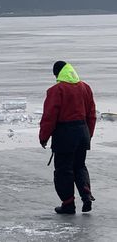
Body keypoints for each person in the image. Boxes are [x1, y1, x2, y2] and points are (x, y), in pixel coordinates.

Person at [39, 61, 96, 214]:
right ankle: (86, 195)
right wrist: (88, 134)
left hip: (65, 135)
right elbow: (91, 114)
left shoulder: (56, 90)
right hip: (82, 133)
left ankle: (68, 204)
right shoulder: (85, 87)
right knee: (79, 166)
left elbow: (49, 116)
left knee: (63, 170)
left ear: (58, 74)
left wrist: (43, 137)